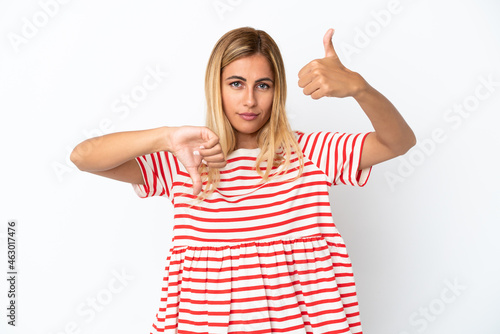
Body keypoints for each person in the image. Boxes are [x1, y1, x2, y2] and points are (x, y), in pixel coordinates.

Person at [71, 27, 415, 334]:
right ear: (216, 87)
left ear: (276, 90)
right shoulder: (185, 159)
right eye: (236, 83)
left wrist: (360, 89)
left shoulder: (310, 153)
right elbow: (83, 157)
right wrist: (165, 137)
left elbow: (398, 142)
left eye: (262, 85)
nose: (250, 100)